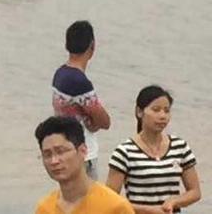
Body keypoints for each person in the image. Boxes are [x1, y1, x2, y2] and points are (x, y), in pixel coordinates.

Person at [107, 85, 201, 213]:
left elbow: (195, 192)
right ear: (139, 112)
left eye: (166, 111)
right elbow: (110, 200)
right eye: (156, 110)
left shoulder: (180, 147)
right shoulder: (124, 152)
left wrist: (174, 201)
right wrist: (149, 210)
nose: (162, 116)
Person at [34, 116, 134, 214]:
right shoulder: (45, 209)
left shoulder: (115, 207)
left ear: (83, 150)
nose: (54, 161)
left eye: (60, 151)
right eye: (47, 154)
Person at [51, 20, 110, 179]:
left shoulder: (60, 73)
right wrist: (94, 122)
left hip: (66, 148)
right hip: (83, 153)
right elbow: (105, 122)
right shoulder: (80, 82)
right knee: (89, 194)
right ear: (92, 46)